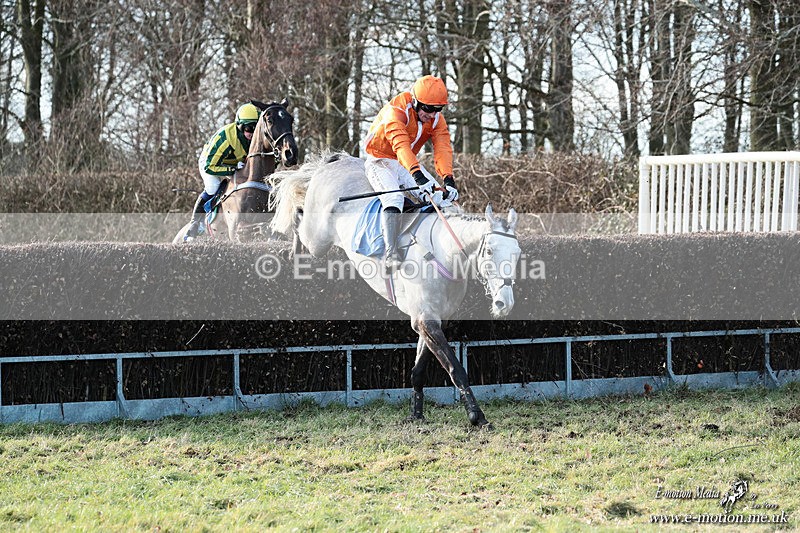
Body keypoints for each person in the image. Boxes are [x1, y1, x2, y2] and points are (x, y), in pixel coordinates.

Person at [363, 74, 460, 269]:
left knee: (440, 198)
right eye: (428, 109)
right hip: (380, 160)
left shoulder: (436, 119)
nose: (432, 114)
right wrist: (418, 176)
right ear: (415, 101)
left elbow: (442, 148)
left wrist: (448, 179)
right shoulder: (396, 110)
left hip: (404, 162)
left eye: (438, 109)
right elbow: (401, 145)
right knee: (394, 199)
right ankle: (390, 253)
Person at [184, 102, 260, 241]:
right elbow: (210, 166)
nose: (252, 133)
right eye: (249, 128)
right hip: (210, 162)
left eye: (256, 128)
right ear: (240, 126)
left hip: (235, 163)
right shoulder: (226, 138)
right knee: (212, 187)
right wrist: (232, 169)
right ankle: (194, 224)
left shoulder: (255, 137)